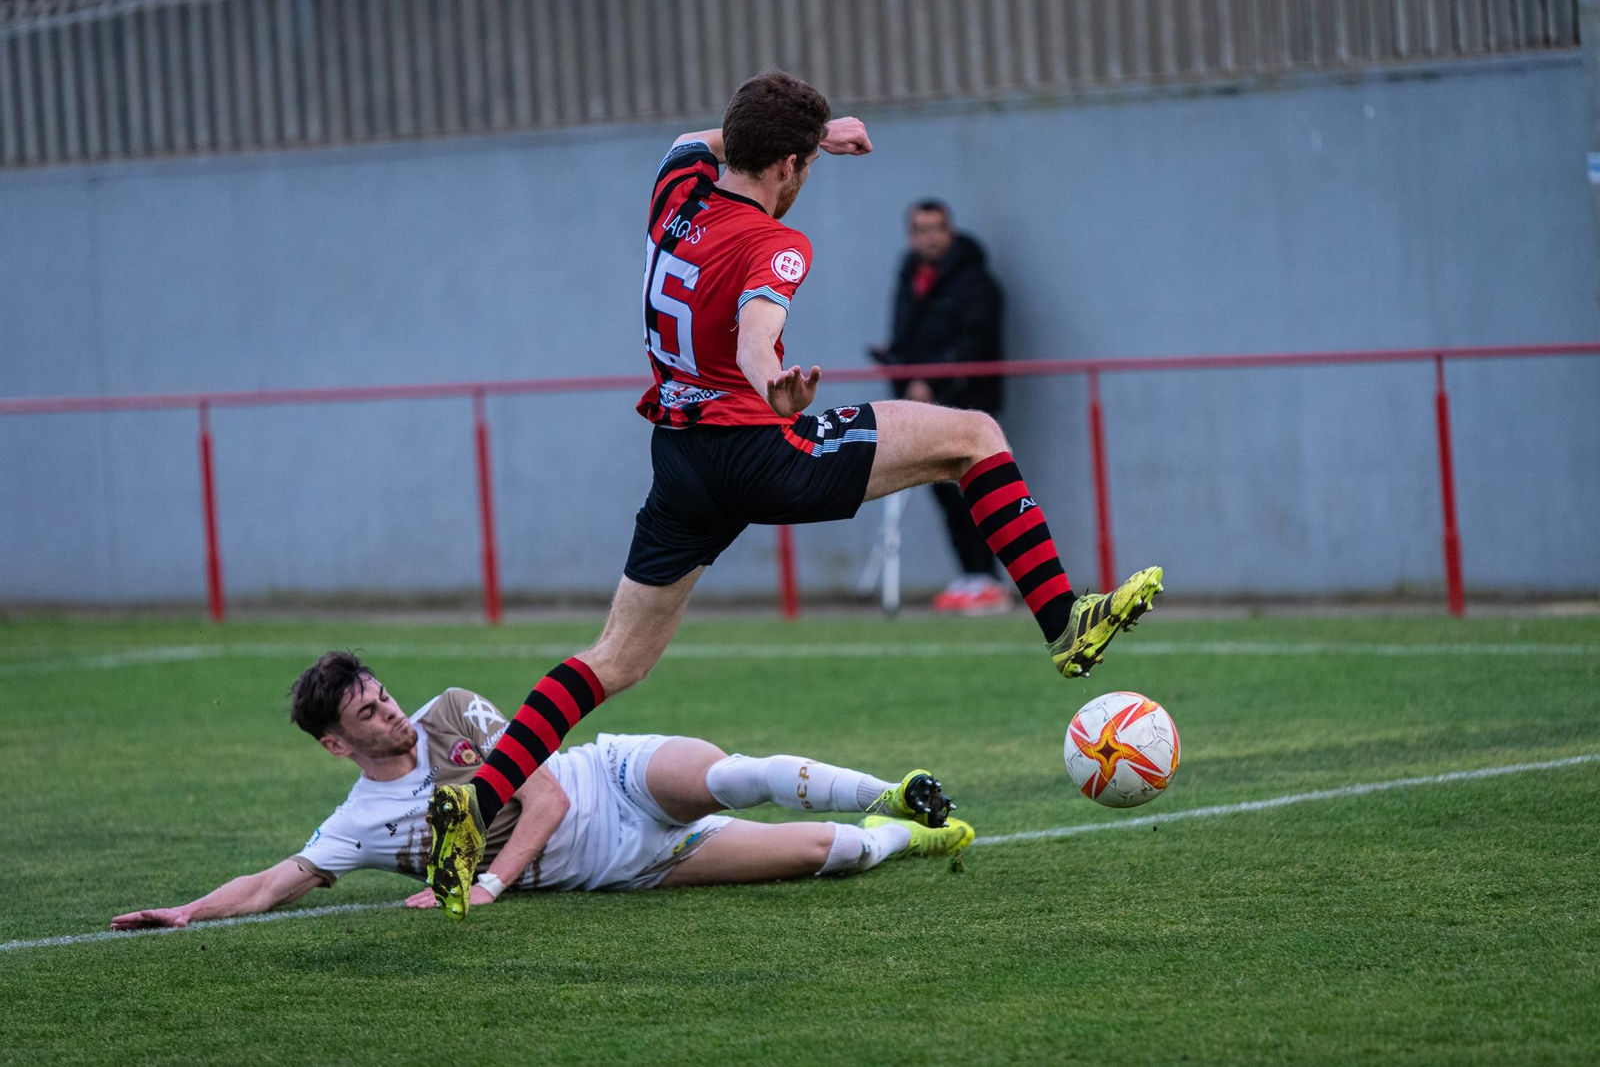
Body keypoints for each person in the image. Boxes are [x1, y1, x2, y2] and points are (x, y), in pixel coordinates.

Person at [426, 70, 1163, 919]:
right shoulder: (777, 242)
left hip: (681, 458)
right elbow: (757, 335)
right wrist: (771, 386)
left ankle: (476, 803)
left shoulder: (677, 189)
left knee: (614, 660)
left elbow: (699, 140)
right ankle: (1065, 623)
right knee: (973, 438)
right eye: (804, 162)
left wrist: (816, 131)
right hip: (757, 448)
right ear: (787, 165)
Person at [110, 652, 972, 932]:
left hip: (615, 778)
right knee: (827, 853)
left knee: (727, 777)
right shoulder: (361, 824)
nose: (391, 712)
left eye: (383, 695)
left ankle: (893, 791)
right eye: (368, 714)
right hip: (626, 867)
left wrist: (484, 883)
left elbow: (548, 801)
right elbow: (276, 882)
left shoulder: (452, 712)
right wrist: (186, 912)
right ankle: (915, 835)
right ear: (338, 744)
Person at [874, 199, 1009, 614]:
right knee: (944, 493)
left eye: (936, 228)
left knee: (978, 492)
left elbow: (976, 342)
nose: (929, 237)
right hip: (922, 406)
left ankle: (988, 578)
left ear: (950, 232)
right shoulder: (909, 277)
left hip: (966, 403)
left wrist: (932, 382)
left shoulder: (976, 282)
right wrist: (897, 367)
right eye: (920, 229)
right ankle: (971, 574)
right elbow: (905, 336)